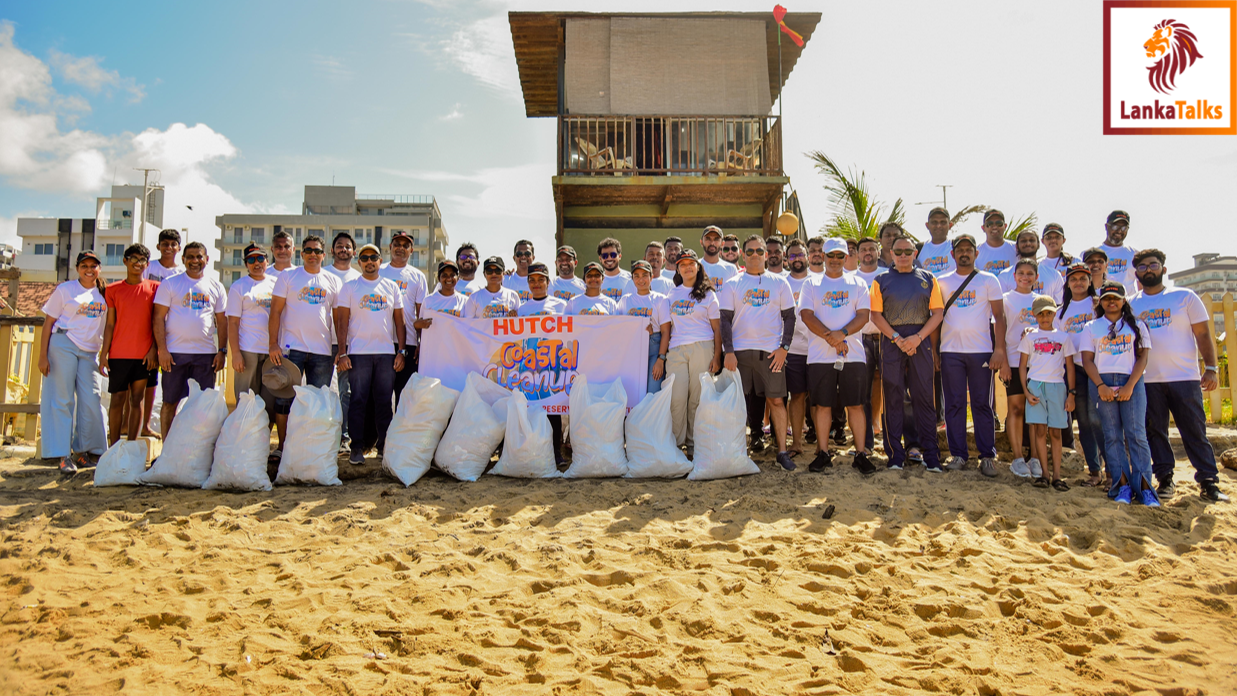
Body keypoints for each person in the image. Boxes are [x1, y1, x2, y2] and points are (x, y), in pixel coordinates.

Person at [1131, 249, 1228, 502]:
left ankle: (1208, 481)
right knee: (1155, 431)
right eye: (1142, 267)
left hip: (1184, 377)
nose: (1148, 270)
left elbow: (1203, 334)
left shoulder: (1184, 297)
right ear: (1136, 273)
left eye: (1153, 265)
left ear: (1163, 269)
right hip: (1147, 379)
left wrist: (1211, 368)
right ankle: (1165, 479)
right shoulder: (1131, 304)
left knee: (1194, 429)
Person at [798, 238, 876, 475]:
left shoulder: (857, 283)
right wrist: (831, 338)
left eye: (840, 255)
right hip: (820, 356)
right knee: (822, 405)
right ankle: (823, 453)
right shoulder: (811, 283)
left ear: (846, 257)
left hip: (853, 356)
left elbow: (863, 316)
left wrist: (841, 334)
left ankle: (860, 454)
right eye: (830, 255)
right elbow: (806, 315)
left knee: (856, 405)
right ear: (822, 256)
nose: (834, 260)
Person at [720, 235, 797, 471]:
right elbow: (725, 319)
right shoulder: (732, 284)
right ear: (743, 255)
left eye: (760, 251)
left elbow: (790, 317)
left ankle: (782, 451)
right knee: (736, 404)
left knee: (776, 400)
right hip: (739, 353)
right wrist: (728, 351)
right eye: (750, 251)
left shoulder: (780, 283)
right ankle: (736, 451)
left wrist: (784, 348)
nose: (755, 255)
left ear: (767, 254)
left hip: (771, 353)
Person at [869, 233, 945, 472]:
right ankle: (894, 455)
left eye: (908, 251)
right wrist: (896, 338)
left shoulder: (928, 278)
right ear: (891, 254)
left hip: (920, 340)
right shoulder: (880, 280)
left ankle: (931, 455)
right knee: (893, 398)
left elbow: (938, 313)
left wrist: (918, 338)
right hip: (892, 342)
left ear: (915, 253)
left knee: (924, 398)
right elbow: (875, 315)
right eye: (898, 252)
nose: (903, 255)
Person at [936, 234, 1007, 475]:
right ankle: (958, 454)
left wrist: (999, 349)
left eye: (969, 250)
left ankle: (987, 456)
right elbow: (936, 317)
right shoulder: (942, 282)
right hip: (950, 352)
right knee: (954, 405)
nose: (964, 253)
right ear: (952, 254)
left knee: (982, 405)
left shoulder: (988, 280)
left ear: (976, 253)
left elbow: (999, 317)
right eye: (960, 250)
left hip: (981, 352)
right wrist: (935, 351)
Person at [1081, 281, 1156, 506]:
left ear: (1124, 301)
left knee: (1136, 434)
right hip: (1101, 382)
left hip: (1131, 381)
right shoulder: (1091, 327)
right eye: (1107, 298)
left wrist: (1130, 386)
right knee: (1112, 435)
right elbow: (1087, 360)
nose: (1111, 301)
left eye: (1116, 298)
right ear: (1101, 302)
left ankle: (1144, 488)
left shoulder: (1137, 326)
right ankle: (1122, 485)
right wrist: (1100, 386)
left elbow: (1143, 357)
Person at [268, 235, 342, 453]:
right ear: (301, 254)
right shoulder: (288, 276)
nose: (313, 254)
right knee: (284, 400)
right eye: (308, 250)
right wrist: (273, 344)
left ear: (324, 254)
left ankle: (312, 449)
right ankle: (283, 447)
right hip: (291, 350)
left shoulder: (333, 281)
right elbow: (275, 312)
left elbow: (338, 319)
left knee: (317, 402)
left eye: (317, 251)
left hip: (322, 352)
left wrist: (342, 349)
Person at [335, 243, 406, 464]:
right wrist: (343, 353)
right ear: (359, 262)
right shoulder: (350, 287)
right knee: (358, 401)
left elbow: (400, 322)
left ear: (380, 261)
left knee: (384, 402)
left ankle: (384, 447)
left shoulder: (391, 287)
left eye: (373, 257)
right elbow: (342, 322)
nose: (369, 261)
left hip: (386, 353)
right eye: (364, 258)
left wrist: (401, 351)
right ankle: (356, 448)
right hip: (358, 354)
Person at [39, 251, 108, 474]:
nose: (89, 270)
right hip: (63, 343)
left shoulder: (104, 293)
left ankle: (83, 452)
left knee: (91, 399)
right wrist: (42, 356)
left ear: (99, 269)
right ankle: (62, 455)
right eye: (84, 266)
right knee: (63, 399)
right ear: (77, 268)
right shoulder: (65, 289)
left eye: (93, 266)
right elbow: (48, 323)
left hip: (90, 352)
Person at [153, 242, 227, 440]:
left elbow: (222, 321)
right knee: (170, 402)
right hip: (175, 354)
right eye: (190, 257)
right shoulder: (170, 283)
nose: (195, 261)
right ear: (183, 259)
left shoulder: (216, 286)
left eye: (199, 257)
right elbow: (158, 317)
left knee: (203, 405)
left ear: (207, 259)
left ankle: (197, 448)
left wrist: (222, 351)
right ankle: (168, 448)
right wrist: (162, 350)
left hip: (205, 355)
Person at [100, 244, 159, 446]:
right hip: (118, 354)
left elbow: (158, 322)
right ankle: (113, 447)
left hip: (144, 356)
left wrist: (154, 350)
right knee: (117, 399)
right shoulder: (112, 290)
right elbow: (110, 324)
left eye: (142, 260)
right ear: (125, 261)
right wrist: (104, 354)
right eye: (133, 258)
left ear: (147, 264)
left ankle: (132, 447)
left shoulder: (156, 288)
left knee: (137, 399)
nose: (138, 263)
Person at [665, 250, 721, 456]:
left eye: (691, 263)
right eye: (683, 264)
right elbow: (665, 325)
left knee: (697, 398)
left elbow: (717, 329)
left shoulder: (708, 294)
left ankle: (693, 445)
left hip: (702, 347)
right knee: (677, 398)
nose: (687, 267)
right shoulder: (671, 294)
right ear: (678, 269)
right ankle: (675, 446)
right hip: (676, 349)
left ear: (698, 267)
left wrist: (717, 356)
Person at [1018, 296, 1076, 490]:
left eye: (1049, 313)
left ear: (1054, 314)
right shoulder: (1029, 337)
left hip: (1057, 387)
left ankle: (1057, 476)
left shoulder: (1063, 337)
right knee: (1040, 431)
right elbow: (1022, 366)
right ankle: (1044, 473)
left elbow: (1069, 366)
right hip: (1035, 386)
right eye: (1041, 314)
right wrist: (1026, 391)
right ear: (1034, 315)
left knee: (1056, 432)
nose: (1045, 318)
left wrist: (1071, 393)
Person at [1055, 262, 1105, 486]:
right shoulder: (1060, 311)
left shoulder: (1098, 304)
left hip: (1098, 367)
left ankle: (1112, 470)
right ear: (1067, 283)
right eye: (1073, 279)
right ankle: (1094, 471)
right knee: (1084, 421)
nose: (1078, 282)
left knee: (1099, 420)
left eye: (1083, 278)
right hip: (1073, 369)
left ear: (1089, 281)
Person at [515, 261, 569, 463]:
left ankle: (555, 452)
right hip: (528, 367)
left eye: (541, 280)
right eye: (532, 280)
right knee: (531, 409)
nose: (536, 284)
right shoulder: (522, 309)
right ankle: (533, 452)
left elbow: (573, 330)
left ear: (548, 282)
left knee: (552, 410)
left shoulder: (561, 305)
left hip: (552, 366)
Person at [225, 243, 278, 421]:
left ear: (267, 260)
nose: (257, 263)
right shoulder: (239, 286)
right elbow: (233, 323)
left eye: (260, 258)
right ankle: (243, 435)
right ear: (246, 263)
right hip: (248, 350)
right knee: (246, 400)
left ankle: (262, 436)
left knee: (269, 402)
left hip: (271, 351)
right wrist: (236, 354)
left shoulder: (276, 284)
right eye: (251, 260)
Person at [1002, 259, 1042, 477]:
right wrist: (1004, 363)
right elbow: (1000, 331)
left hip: (1040, 364)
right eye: (1021, 273)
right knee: (1016, 409)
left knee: (1035, 411)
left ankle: (1035, 457)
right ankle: (1018, 458)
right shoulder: (1006, 299)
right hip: (1014, 361)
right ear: (1014, 276)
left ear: (1036, 277)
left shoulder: (1043, 301)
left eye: (1030, 274)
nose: (1025, 277)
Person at [379, 230, 428, 399]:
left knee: (405, 396)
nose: (400, 248)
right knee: (381, 396)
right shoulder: (379, 271)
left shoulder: (418, 276)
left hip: (409, 343)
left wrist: (422, 343)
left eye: (405, 245)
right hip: (381, 342)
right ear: (390, 247)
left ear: (411, 250)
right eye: (397, 244)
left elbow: (421, 314)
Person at [324, 232, 361, 451]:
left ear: (353, 252)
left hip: (348, 345)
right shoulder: (323, 274)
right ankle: (323, 434)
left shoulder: (358, 278)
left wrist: (344, 347)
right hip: (322, 342)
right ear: (332, 250)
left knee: (345, 392)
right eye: (339, 246)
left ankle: (343, 437)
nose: (343, 249)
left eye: (348, 247)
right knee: (322, 390)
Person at [853, 238, 886, 450]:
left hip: (886, 340)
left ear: (878, 252)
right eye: (863, 249)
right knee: (862, 393)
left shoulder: (887, 275)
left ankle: (893, 442)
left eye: (872, 249)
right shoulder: (850, 279)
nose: (868, 252)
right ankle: (865, 443)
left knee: (893, 391)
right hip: (860, 340)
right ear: (857, 254)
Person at [619, 260, 670, 393]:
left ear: (651, 277)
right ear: (632, 279)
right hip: (632, 348)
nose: (641, 280)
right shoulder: (625, 300)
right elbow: (619, 328)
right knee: (633, 392)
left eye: (645, 275)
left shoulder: (661, 299)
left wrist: (661, 359)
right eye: (636, 276)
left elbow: (666, 331)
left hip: (654, 347)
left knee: (652, 391)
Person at [783, 239, 814, 457]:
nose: (796, 259)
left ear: (807, 257)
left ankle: (821, 444)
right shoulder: (781, 283)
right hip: (792, 349)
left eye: (800, 254)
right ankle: (796, 443)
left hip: (818, 348)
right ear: (786, 259)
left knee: (819, 399)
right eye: (792, 256)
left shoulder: (819, 282)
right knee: (796, 395)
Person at [998, 228, 1064, 302]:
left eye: (1032, 240)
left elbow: (1058, 306)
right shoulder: (1005, 276)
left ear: (1038, 244)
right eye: (1023, 241)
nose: (1028, 243)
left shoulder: (1054, 275)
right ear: (1016, 246)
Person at [1099, 210, 1138, 293]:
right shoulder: (1092, 255)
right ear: (1106, 227)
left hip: (1128, 300)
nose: (1119, 231)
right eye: (1115, 227)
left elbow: (1142, 285)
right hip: (1102, 299)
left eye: (1124, 228)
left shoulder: (1135, 254)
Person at [976, 210, 1018, 274]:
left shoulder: (1016, 248)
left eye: (999, 224)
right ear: (983, 228)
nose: (995, 227)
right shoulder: (976, 252)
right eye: (989, 224)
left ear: (1005, 226)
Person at [919, 207, 956, 277]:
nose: (938, 226)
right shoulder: (919, 249)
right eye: (934, 222)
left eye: (943, 222)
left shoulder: (956, 247)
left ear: (950, 225)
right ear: (927, 225)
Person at [596, 238, 631, 303]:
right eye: (605, 256)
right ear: (600, 258)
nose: (609, 258)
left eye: (613, 255)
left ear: (619, 256)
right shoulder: (595, 281)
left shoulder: (630, 278)